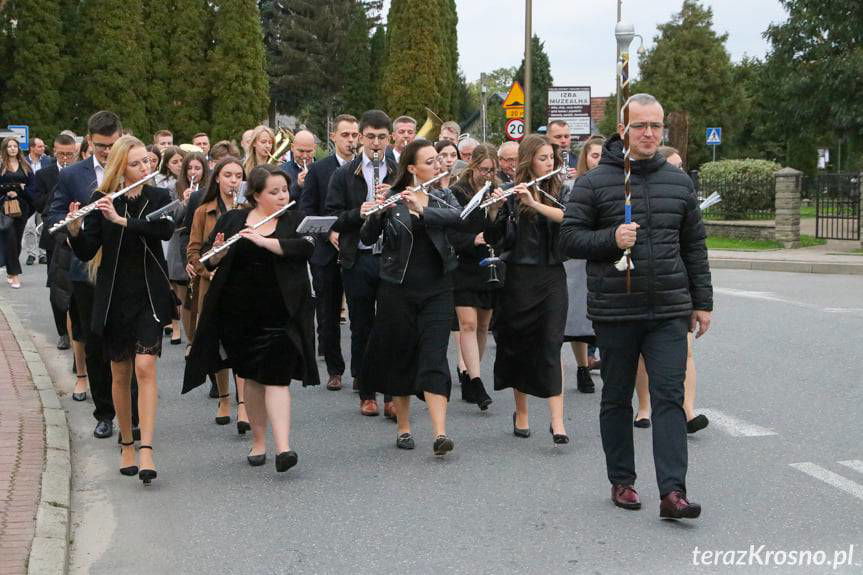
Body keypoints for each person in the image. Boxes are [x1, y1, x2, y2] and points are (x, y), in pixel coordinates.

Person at [559, 93, 713, 519]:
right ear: (623, 130)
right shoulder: (595, 182)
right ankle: (622, 481)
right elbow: (568, 239)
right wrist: (611, 240)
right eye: (641, 126)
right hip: (616, 309)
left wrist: (702, 302)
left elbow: (694, 247)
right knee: (617, 397)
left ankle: (672, 493)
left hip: (667, 308)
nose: (649, 134)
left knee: (668, 396)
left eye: (656, 126)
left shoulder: (679, 182)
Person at [184, 164, 319, 472]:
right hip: (241, 315)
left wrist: (263, 241)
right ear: (256, 195)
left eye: (284, 190)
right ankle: (259, 442)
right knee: (254, 381)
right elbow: (207, 257)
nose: (282, 196)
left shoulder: (296, 220)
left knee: (278, 379)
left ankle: (284, 448)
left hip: (282, 314)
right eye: (274, 192)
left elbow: (304, 249)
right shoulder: (233, 220)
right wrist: (217, 252)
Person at [67, 135, 175, 486]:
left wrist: (124, 221)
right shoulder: (101, 200)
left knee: (145, 367)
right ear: (120, 168)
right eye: (137, 164)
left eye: (147, 161)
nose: (145, 168)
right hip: (114, 297)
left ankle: (146, 449)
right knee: (120, 373)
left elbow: (165, 228)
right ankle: (126, 443)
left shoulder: (157, 196)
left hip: (148, 294)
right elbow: (87, 251)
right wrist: (74, 231)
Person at [360, 139, 473, 455]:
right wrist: (377, 211)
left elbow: (460, 218)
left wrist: (422, 209)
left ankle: (440, 433)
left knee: (435, 357)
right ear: (411, 168)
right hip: (397, 288)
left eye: (439, 159)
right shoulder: (393, 197)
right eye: (430, 161)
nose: (438, 165)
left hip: (438, 288)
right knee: (401, 356)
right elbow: (367, 238)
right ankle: (405, 428)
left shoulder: (442, 194)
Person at [49, 110, 137, 439]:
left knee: (128, 343)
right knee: (96, 343)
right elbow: (55, 215)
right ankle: (105, 413)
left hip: (124, 267)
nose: (106, 151)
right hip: (84, 268)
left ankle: (135, 412)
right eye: (100, 145)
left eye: (112, 145)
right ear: (89, 141)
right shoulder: (73, 175)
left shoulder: (132, 168)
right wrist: (76, 229)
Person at [484, 134, 569, 445]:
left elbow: (569, 219)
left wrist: (536, 204)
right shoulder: (509, 193)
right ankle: (521, 412)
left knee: (551, 344)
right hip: (518, 277)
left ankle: (557, 421)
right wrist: (494, 210)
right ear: (529, 160)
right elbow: (495, 237)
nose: (549, 163)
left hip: (550, 277)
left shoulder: (559, 190)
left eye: (552, 158)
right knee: (517, 344)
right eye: (543, 158)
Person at [325, 109, 398, 418]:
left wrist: (392, 196)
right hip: (360, 256)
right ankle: (366, 391)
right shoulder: (345, 174)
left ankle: (393, 394)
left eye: (382, 137)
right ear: (361, 138)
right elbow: (333, 216)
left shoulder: (399, 171)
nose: (376, 143)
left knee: (393, 325)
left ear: (390, 138)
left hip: (393, 257)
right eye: (370, 137)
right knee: (361, 326)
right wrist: (360, 212)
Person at [632, 145, 708, 434]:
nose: (677, 172)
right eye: (672, 166)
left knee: (685, 352)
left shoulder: (682, 192)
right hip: (646, 286)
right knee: (642, 355)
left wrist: (702, 300)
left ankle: (687, 410)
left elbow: (695, 246)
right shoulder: (644, 191)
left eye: (680, 167)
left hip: (680, 286)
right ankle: (644, 405)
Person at [186, 157, 249, 430]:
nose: (233, 181)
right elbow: (193, 251)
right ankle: (224, 398)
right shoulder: (203, 211)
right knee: (219, 344)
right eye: (228, 175)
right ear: (218, 179)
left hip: (242, 285)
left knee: (242, 343)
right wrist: (207, 270)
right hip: (212, 285)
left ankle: (244, 404)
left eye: (238, 176)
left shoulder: (249, 209)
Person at [299, 114, 357, 391]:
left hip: (359, 250)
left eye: (354, 135)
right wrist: (329, 233)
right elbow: (306, 210)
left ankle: (361, 371)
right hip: (327, 251)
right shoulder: (319, 169)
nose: (350, 140)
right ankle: (335, 369)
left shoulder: (364, 169)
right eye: (345, 135)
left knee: (361, 314)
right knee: (328, 313)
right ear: (333, 137)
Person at [448, 143, 500, 410]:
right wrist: (472, 239)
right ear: (473, 166)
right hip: (463, 265)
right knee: (467, 324)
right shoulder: (457, 192)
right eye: (483, 169)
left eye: (492, 170)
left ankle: (470, 374)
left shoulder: (497, 189)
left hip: (487, 265)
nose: (488, 175)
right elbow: (451, 232)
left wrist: (497, 210)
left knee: (482, 326)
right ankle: (478, 382)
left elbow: (502, 233)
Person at [562, 136, 606, 394]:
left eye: (602, 155)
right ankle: (581, 367)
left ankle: (601, 361)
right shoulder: (575, 185)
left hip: (604, 254)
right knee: (577, 317)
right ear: (586, 158)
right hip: (579, 259)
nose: (598, 160)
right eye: (594, 155)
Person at [28, 134, 77, 351]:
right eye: (61, 153)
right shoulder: (44, 174)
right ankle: (62, 332)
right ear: (54, 151)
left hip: (77, 234)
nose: (65, 157)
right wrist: (58, 189)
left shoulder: (80, 172)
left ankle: (77, 329)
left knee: (77, 285)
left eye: (70, 154)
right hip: (54, 236)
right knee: (57, 285)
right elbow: (38, 203)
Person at [165, 152, 209, 345]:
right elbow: (172, 220)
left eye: (197, 168)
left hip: (203, 244)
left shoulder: (211, 189)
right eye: (190, 168)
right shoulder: (173, 188)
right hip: (180, 244)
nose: (193, 172)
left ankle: (202, 339)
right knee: (186, 299)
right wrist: (184, 202)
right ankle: (191, 341)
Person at [0, 136, 35, 288]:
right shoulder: (1, 165)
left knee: (17, 239)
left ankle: (10, 269)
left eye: (15, 146)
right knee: (10, 237)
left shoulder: (26, 165)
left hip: (22, 206)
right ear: (5, 149)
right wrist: (7, 191)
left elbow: (33, 187)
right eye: (9, 146)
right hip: (4, 205)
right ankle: (15, 275)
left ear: (18, 148)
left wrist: (22, 189)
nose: (12, 148)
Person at [23, 138, 50, 265]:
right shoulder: (23, 161)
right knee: (29, 227)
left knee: (42, 226)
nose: (42, 148)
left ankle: (42, 253)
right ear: (32, 148)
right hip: (28, 199)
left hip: (42, 198)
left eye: (43, 146)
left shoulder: (47, 161)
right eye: (39, 146)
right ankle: (31, 254)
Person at [280, 130, 315, 203]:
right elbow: (279, 202)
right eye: (301, 151)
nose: (305, 156)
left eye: (309, 151)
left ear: (315, 148)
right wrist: (297, 185)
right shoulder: (281, 171)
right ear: (292, 147)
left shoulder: (323, 168)